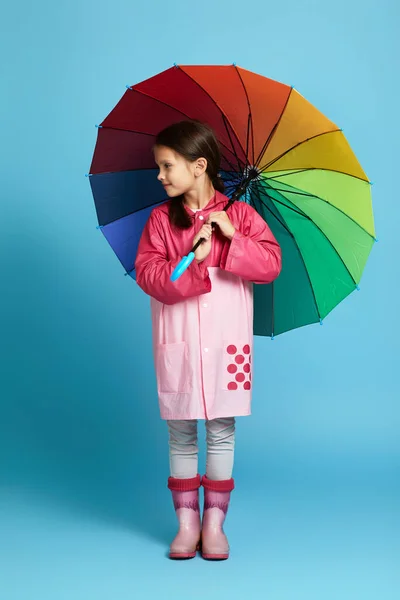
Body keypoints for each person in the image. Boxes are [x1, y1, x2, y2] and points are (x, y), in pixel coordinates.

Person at [135, 120, 281, 560]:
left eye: (166, 166)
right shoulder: (161, 220)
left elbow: (270, 265)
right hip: (177, 343)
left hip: (226, 347)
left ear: (199, 166)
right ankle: (187, 524)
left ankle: (214, 525)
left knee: (222, 430)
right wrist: (194, 258)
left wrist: (232, 239)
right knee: (180, 433)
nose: (160, 176)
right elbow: (150, 276)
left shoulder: (241, 216)